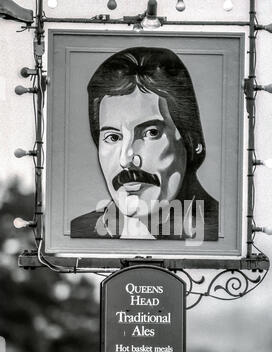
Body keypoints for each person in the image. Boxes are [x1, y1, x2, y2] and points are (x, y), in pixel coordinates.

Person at [71, 47, 218, 241]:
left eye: (151, 133)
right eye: (113, 138)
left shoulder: (226, 230)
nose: (126, 159)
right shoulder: (81, 233)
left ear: (192, 141)